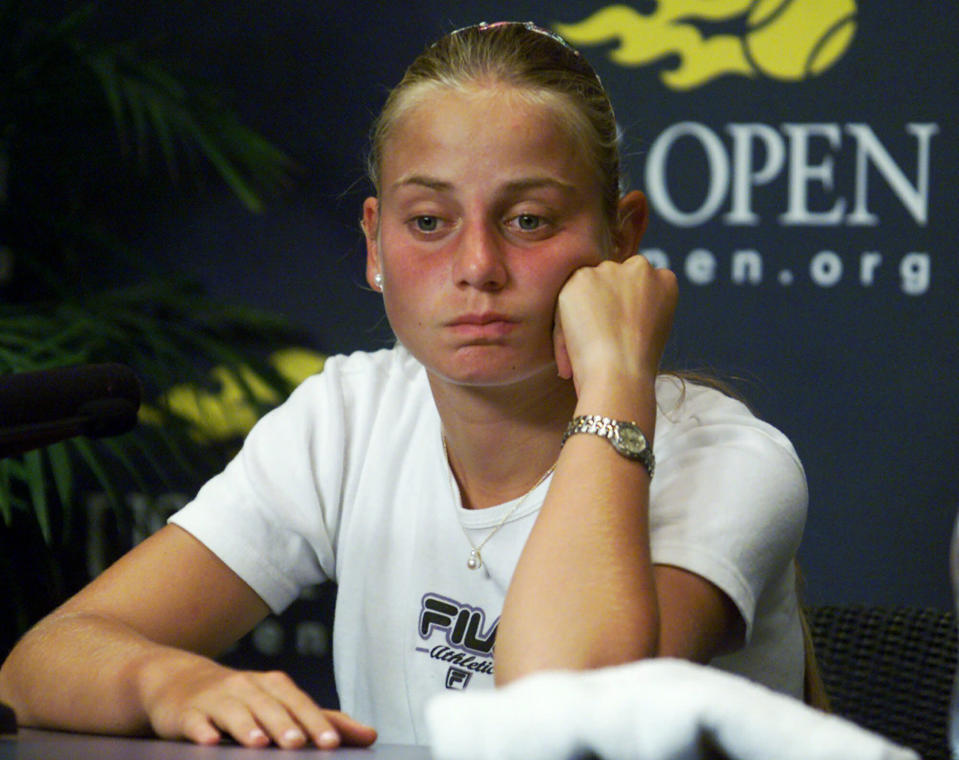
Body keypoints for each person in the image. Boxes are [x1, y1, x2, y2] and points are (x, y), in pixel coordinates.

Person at [0, 21, 809, 749]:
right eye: (428, 222)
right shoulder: (348, 417)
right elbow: (40, 664)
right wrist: (170, 682)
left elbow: (555, 724)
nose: (477, 269)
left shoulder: (730, 461)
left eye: (527, 220)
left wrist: (615, 383)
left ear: (620, 236)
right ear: (374, 242)